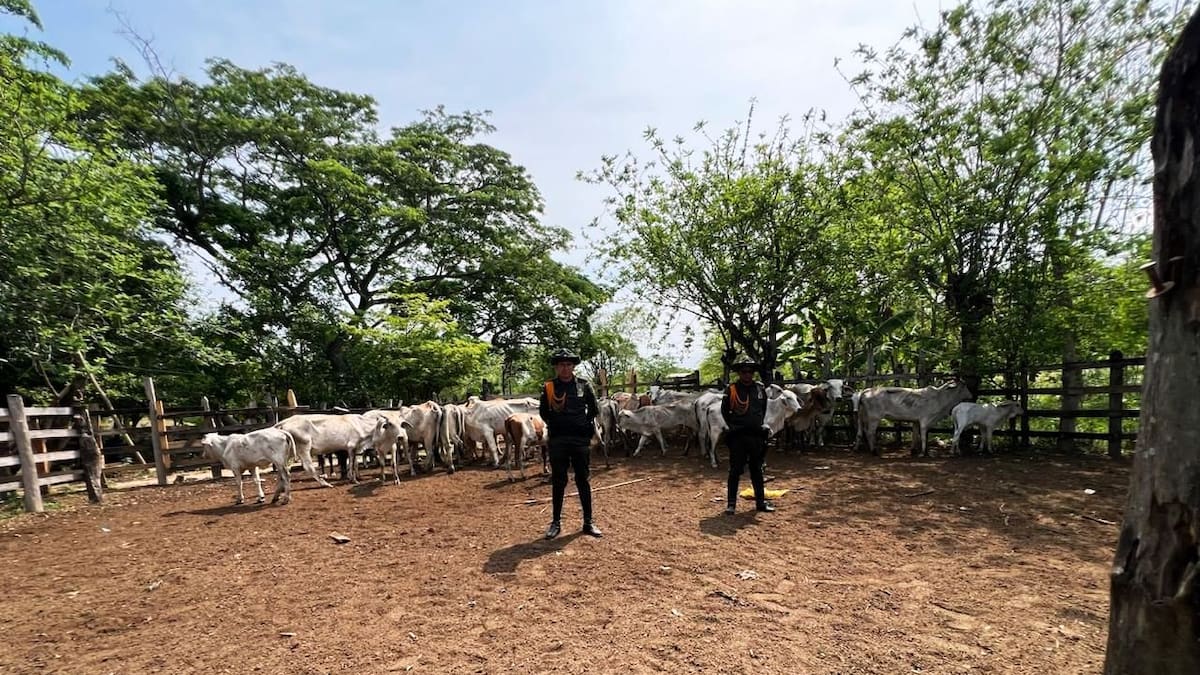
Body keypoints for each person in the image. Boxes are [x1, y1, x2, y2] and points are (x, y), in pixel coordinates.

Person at [539, 349, 603, 539]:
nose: (565, 368)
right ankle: (555, 522)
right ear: (556, 367)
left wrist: (581, 426)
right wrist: (559, 423)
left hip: (579, 441)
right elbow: (544, 412)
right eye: (561, 365)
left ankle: (588, 522)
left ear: (573, 366)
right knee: (559, 481)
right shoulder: (549, 387)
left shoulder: (584, 386)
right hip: (558, 440)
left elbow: (594, 409)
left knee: (583, 480)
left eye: (568, 364)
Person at [721, 358, 775, 514]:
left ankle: (760, 502)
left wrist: (757, 425)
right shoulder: (731, 390)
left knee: (757, 470)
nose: (747, 375)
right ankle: (731, 504)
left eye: (750, 372)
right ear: (739, 373)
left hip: (756, 436)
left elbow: (763, 409)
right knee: (735, 470)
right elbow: (725, 411)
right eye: (744, 372)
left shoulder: (759, 389)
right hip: (738, 436)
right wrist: (734, 426)